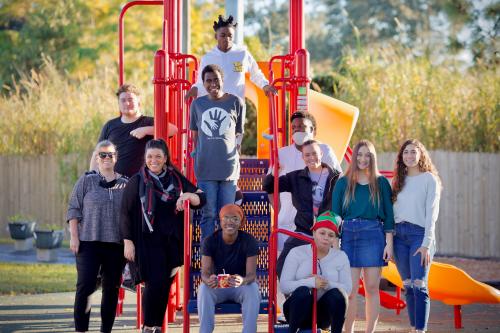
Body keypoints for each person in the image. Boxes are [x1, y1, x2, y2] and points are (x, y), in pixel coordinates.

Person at [120, 139, 205, 333]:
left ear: (165, 158)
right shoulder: (138, 180)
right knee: (154, 283)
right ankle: (148, 326)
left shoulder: (175, 178)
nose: (153, 160)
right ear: (145, 158)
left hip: (172, 242)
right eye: (150, 156)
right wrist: (127, 241)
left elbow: (201, 198)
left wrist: (188, 197)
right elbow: (125, 212)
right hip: (147, 241)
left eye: (158, 156)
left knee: (165, 285)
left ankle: (156, 326)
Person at [332, 139, 394, 333]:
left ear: (372, 158)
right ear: (354, 157)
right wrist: (335, 247)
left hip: (374, 235)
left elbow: (389, 216)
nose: (363, 159)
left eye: (367, 155)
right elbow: (335, 216)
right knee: (349, 292)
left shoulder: (381, 183)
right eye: (359, 154)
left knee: (372, 288)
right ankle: (347, 330)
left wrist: (389, 244)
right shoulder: (343, 183)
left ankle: (369, 331)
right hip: (349, 236)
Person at [67, 140, 128, 333]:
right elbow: (73, 210)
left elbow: (130, 216)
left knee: (111, 290)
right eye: (102, 154)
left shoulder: (126, 185)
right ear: (97, 158)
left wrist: (129, 244)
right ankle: (81, 330)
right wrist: (74, 237)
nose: (106, 158)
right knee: (85, 287)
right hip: (88, 243)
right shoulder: (86, 181)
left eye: (110, 154)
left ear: (116, 158)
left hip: (115, 246)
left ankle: (105, 330)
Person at [263, 139, 341, 278]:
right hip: (303, 231)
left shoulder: (335, 177)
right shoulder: (296, 177)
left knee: (325, 273)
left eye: (314, 153)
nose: (311, 158)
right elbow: (269, 187)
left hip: (326, 233)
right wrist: (275, 173)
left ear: (321, 154)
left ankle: (319, 297)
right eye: (307, 155)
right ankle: (296, 296)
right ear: (302, 157)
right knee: (282, 265)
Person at [270, 111, 342, 251]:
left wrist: (331, 215)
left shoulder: (324, 150)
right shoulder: (282, 153)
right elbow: (271, 184)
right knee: (286, 266)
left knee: (318, 265)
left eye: (302, 126)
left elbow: (338, 183)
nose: (297, 130)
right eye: (294, 127)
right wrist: (277, 208)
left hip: (318, 225)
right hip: (285, 223)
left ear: (312, 130)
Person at [190, 64, 245, 241]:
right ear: (203, 83)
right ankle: (208, 256)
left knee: (228, 214)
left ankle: (226, 253)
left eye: (216, 79)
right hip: (205, 169)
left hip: (228, 168)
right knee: (209, 214)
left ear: (223, 80)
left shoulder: (236, 102)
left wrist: (237, 159)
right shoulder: (198, 104)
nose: (212, 83)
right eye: (208, 81)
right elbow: (195, 135)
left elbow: (238, 134)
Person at [392, 139, 441, 333]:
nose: (409, 156)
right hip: (398, 237)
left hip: (419, 236)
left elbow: (432, 214)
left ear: (421, 155)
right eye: (406, 152)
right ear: (401, 157)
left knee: (419, 285)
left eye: (413, 152)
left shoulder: (429, 179)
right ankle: (413, 328)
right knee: (408, 286)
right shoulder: (397, 181)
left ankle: (420, 330)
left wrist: (426, 244)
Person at [280, 211, 351, 333]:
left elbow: (347, 289)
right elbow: (284, 286)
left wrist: (326, 284)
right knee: (303, 291)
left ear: (334, 238)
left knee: (338, 294)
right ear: (313, 232)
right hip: (297, 310)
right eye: (322, 233)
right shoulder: (297, 252)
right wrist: (311, 282)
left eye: (331, 235)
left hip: (323, 314)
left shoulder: (341, 256)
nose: (326, 238)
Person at [197, 204, 260, 333]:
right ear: (220, 221)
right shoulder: (210, 241)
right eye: (226, 218)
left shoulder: (249, 240)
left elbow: (251, 275)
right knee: (203, 288)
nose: (230, 222)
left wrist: (242, 280)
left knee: (253, 288)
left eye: (235, 219)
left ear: (240, 222)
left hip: (240, 287)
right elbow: (205, 272)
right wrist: (209, 279)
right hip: (218, 286)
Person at [90, 83, 178, 177]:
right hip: (114, 183)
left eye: (130, 100)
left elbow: (173, 130)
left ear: (138, 102)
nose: (127, 103)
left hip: (141, 183)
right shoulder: (110, 125)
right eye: (123, 100)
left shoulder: (148, 122)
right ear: (118, 103)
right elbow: (97, 154)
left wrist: (146, 130)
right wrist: (92, 178)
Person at [185, 15, 276, 102]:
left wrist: (265, 85)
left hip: (236, 106)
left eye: (230, 35)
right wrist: (195, 88)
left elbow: (256, 74)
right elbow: (201, 83)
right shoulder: (207, 58)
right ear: (216, 36)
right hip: (213, 106)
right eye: (223, 35)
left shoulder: (242, 54)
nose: (227, 38)